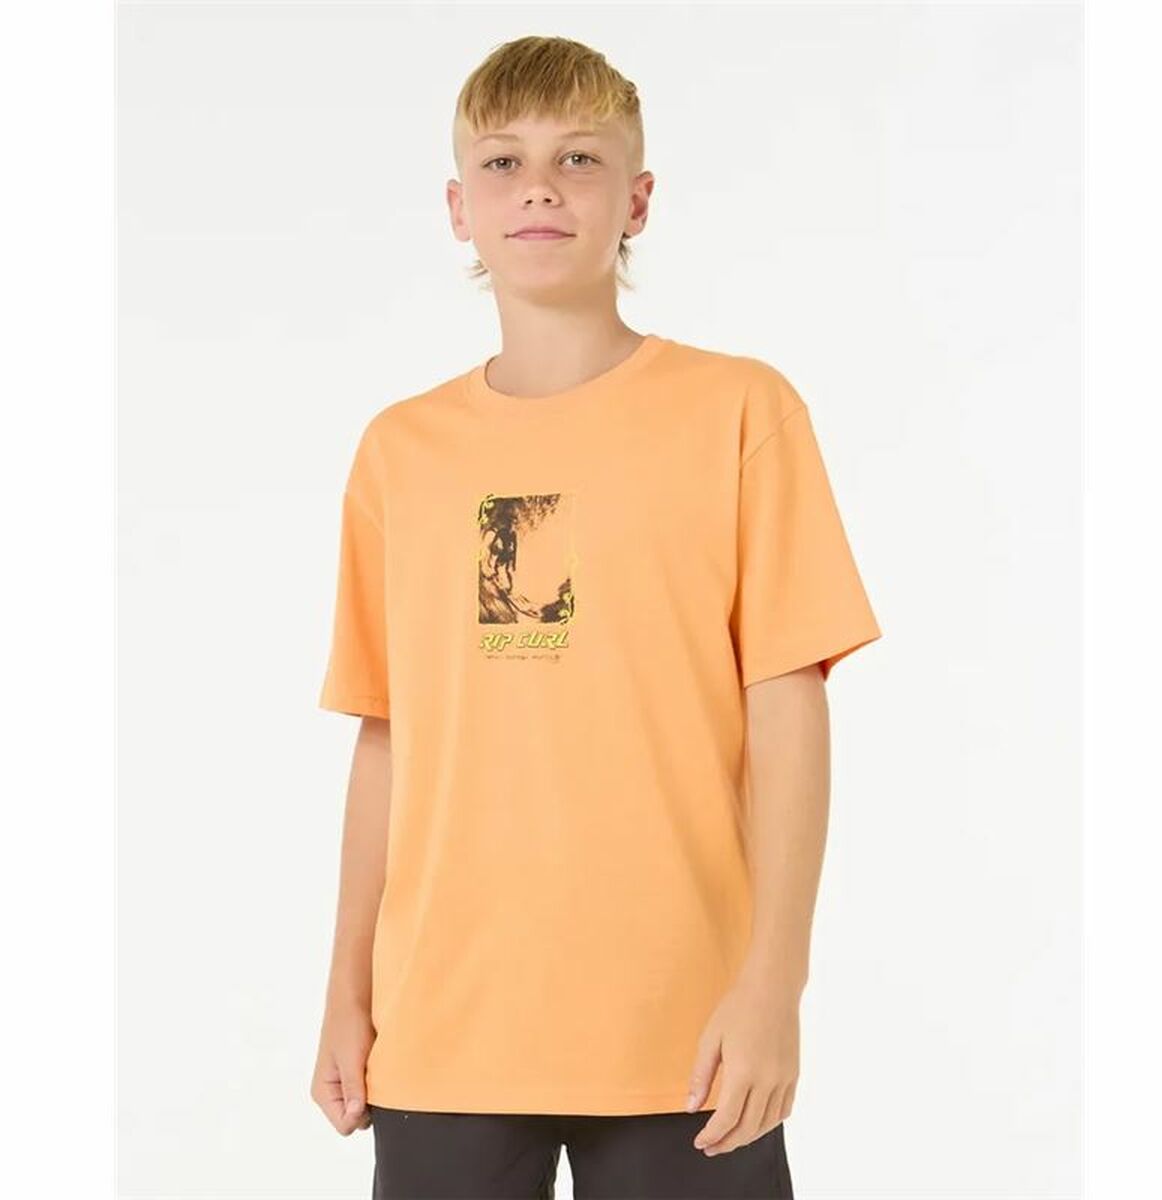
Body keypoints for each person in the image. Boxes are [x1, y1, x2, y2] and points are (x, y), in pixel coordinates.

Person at [310, 34, 882, 1200]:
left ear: (638, 199)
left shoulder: (740, 412)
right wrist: (345, 993)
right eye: (503, 162)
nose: (539, 187)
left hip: (687, 1028)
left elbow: (788, 708)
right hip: (448, 1026)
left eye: (577, 158)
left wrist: (775, 987)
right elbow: (387, 736)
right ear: (459, 208)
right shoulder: (401, 453)